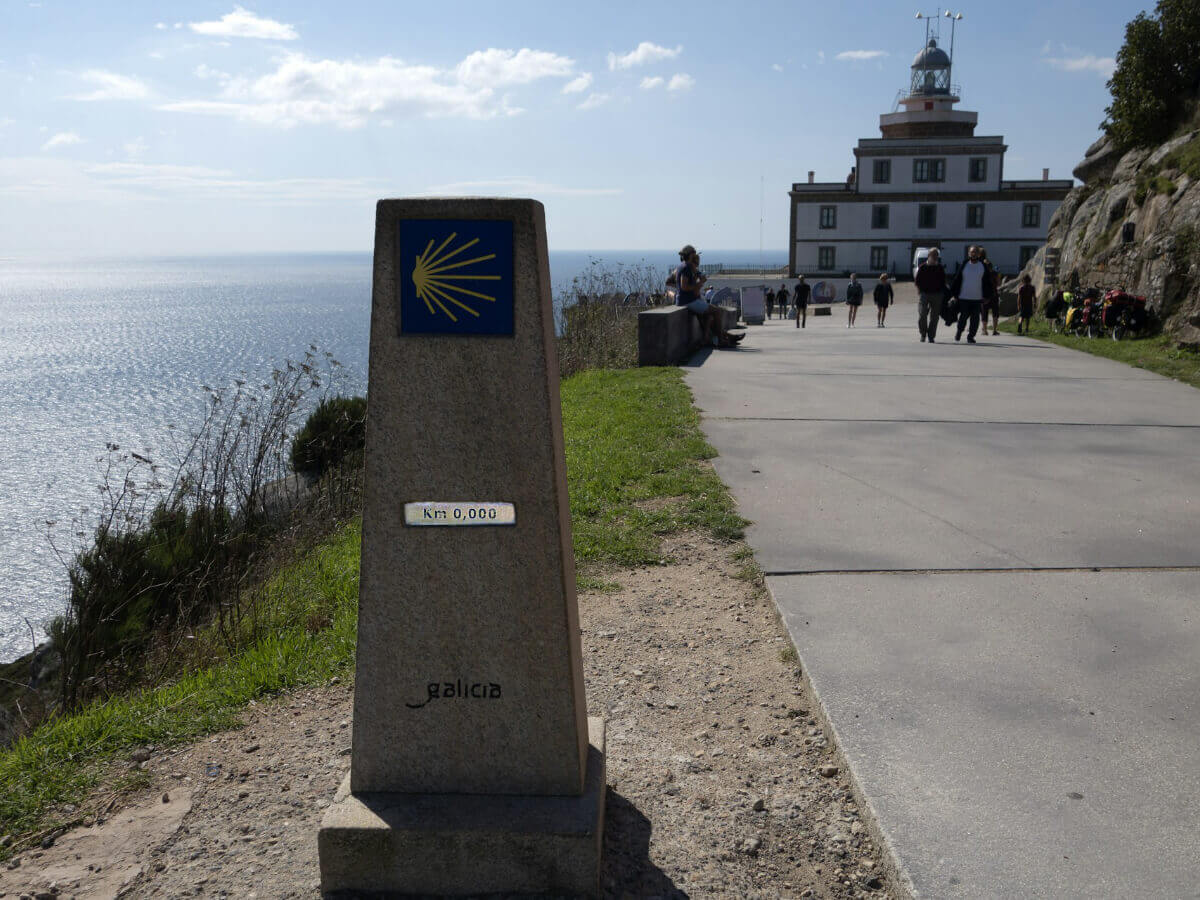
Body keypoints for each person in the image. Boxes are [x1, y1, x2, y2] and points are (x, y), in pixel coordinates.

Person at [672, 245, 743, 347]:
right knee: (717, 311)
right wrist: (700, 282)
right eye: (694, 252)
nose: (695, 254)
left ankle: (727, 337)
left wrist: (700, 277)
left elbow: (694, 275)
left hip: (686, 300)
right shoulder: (686, 267)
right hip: (688, 301)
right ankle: (721, 340)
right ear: (691, 254)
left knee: (711, 315)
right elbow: (684, 287)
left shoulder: (684, 266)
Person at [949, 245, 996, 344]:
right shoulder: (964, 264)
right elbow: (957, 279)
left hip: (977, 298)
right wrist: (954, 294)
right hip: (964, 297)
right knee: (963, 317)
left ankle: (971, 336)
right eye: (972, 252)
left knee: (975, 320)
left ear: (978, 254)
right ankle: (959, 331)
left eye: (975, 252)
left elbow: (988, 282)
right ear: (968, 253)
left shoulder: (982, 266)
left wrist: (987, 296)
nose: (973, 254)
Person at [914, 247, 947, 343]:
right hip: (924, 294)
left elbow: (943, 281)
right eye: (933, 255)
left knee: (934, 317)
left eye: (936, 255)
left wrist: (942, 293)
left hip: (937, 294)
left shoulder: (940, 268)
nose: (935, 257)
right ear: (929, 256)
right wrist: (919, 291)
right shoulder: (923, 267)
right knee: (922, 314)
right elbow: (917, 281)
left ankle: (931, 336)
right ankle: (923, 333)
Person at [979, 248, 1001, 335]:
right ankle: (995, 330)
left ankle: (985, 330)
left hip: (985, 295)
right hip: (994, 294)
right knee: (995, 312)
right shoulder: (995, 273)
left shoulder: (982, 272)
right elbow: (999, 283)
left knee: (984, 312)